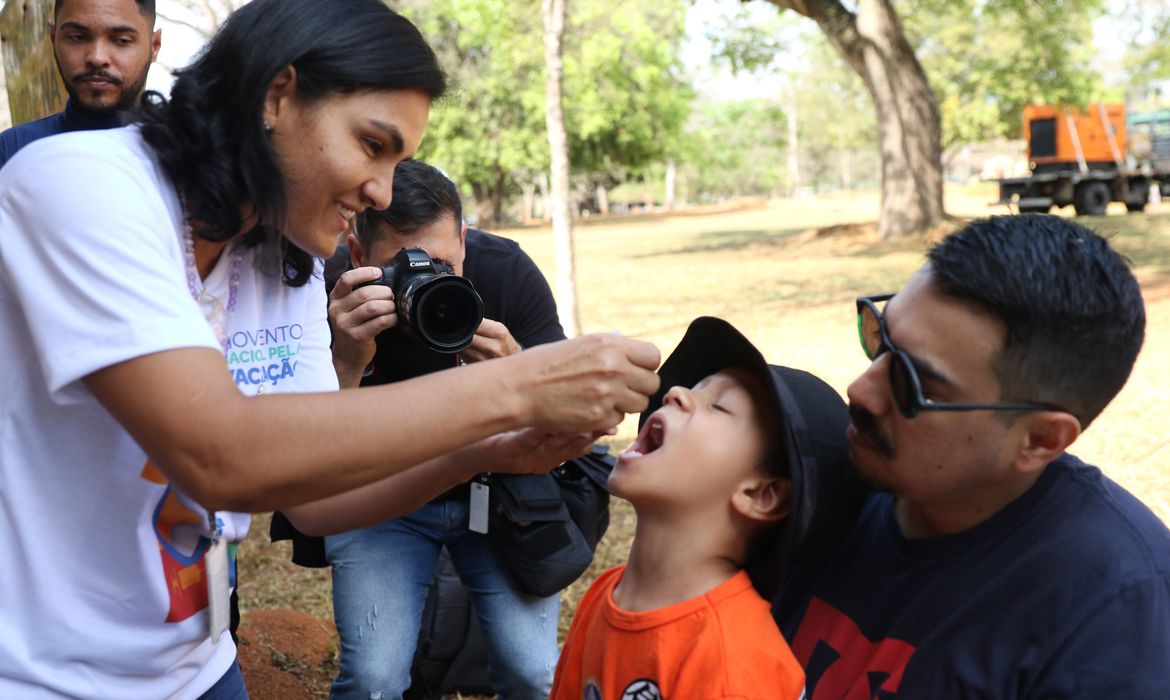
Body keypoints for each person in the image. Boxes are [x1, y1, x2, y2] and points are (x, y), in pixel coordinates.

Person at [0, 1, 660, 697]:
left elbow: (313, 501)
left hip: (193, 666)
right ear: (277, 96)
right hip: (40, 674)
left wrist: (488, 451)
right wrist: (517, 387)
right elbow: (219, 454)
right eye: (373, 145)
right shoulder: (81, 182)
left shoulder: (280, 252)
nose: (379, 192)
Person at [774, 214, 1170, 698]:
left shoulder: (1112, 610)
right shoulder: (819, 476)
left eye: (913, 385)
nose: (861, 390)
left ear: (1041, 439)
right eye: (881, 339)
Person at [317, 160, 568, 699]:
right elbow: (306, 450)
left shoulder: (504, 270)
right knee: (374, 680)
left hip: (500, 499)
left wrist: (517, 369)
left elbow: (564, 420)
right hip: (379, 503)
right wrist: (345, 360)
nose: (424, 283)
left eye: (442, 263)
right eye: (402, 268)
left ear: (464, 238)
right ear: (359, 255)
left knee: (534, 672)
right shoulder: (331, 294)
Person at [550, 316, 865, 700]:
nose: (675, 393)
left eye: (718, 406)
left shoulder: (735, 659)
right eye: (692, 387)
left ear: (760, 495)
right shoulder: (603, 594)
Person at [0, 0, 160, 169]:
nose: (97, 58)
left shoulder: (181, 149)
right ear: (53, 39)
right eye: (77, 37)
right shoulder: (13, 151)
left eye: (122, 40)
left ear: (154, 46)